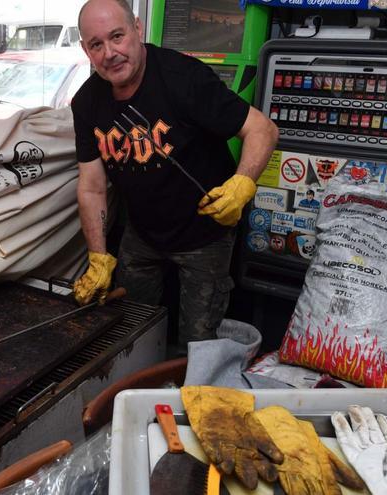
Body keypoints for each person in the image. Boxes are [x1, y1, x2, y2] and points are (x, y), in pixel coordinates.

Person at [70, 0, 278, 353]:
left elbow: (262, 129)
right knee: (130, 334)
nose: (110, 53)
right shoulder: (87, 103)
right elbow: (91, 187)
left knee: (199, 344)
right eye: (97, 44)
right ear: (85, 50)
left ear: (137, 28)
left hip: (204, 232)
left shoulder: (184, 78)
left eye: (117, 36)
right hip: (143, 232)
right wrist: (98, 256)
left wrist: (243, 183)